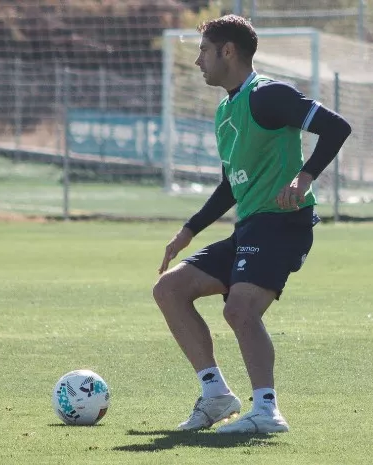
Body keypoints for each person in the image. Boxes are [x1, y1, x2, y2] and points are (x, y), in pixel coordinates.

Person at [152, 14, 352, 434]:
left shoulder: (267, 95)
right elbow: (231, 184)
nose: (197, 61)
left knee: (239, 308)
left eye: (203, 51)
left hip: (283, 223)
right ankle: (215, 395)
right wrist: (189, 230)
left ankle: (266, 411)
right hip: (250, 226)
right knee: (169, 289)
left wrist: (305, 175)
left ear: (228, 51)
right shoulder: (226, 110)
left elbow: (336, 127)